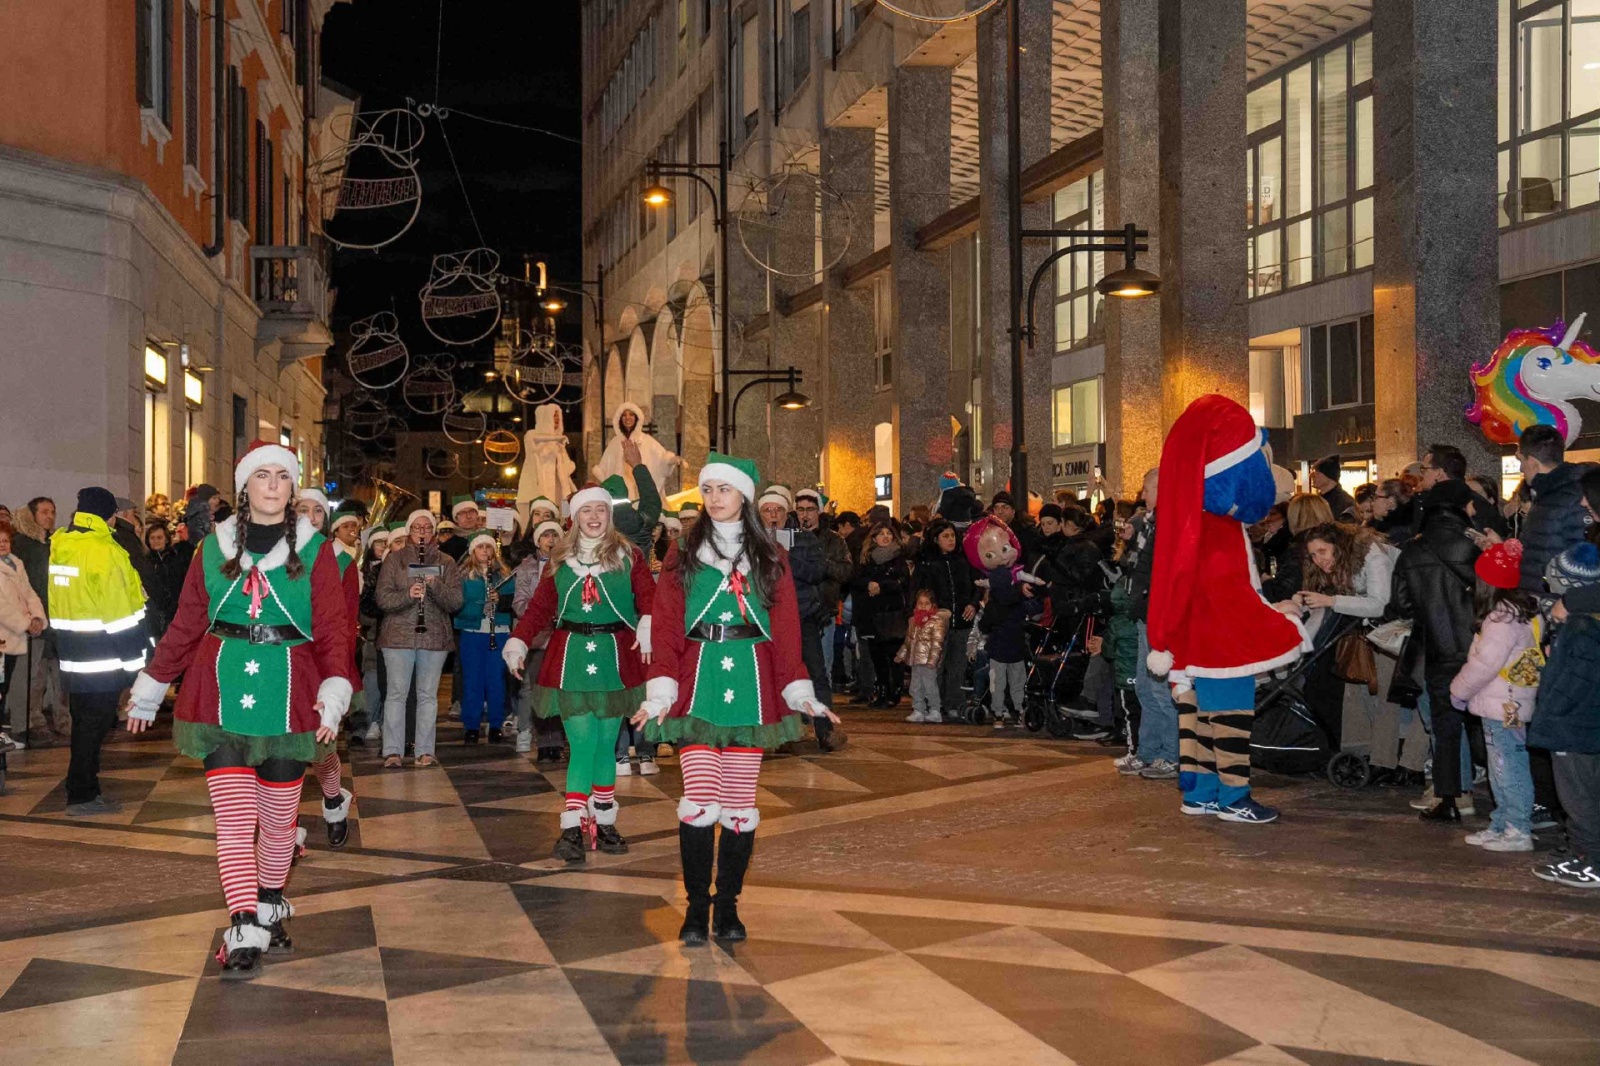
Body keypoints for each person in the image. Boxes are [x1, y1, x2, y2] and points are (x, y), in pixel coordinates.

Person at [126, 443, 355, 978]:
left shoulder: (318, 551)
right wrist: (153, 684)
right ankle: (244, 921)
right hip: (218, 688)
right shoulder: (213, 547)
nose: (273, 485)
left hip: (292, 692)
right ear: (244, 487)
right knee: (234, 821)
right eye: (262, 476)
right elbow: (185, 622)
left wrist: (336, 688)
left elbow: (333, 629)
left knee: (278, 822)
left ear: (291, 488)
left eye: (282, 477)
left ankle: (271, 901)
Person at [633, 452, 837, 945]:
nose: (715, 499)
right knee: (700, 800)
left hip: (751, 683)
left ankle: (727, 907)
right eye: (708, 491)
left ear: (744, 495)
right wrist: (661, 687)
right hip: (697, 682)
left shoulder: (770, 556)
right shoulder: (683, 552)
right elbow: (665, 621)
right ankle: (695, 909)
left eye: (724, 490)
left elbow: (786, 629)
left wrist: (800, 689)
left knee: (740, 805)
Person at [1147, 396, 1308, 825]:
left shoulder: (1189, 520)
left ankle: (1202, 792)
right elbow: (1232, 595)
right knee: (1231, 717)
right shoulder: (1218, 532)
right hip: (1222, 647)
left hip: (1196, 643)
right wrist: (1283, 618)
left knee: (1198, 717)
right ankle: (1234, 797)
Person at [502, 483, 655, 862]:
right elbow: (538, 609)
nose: (593, 517)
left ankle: (603, 821)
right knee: (584, 743)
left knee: (606, 744)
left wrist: (650, 623)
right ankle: (572, 825)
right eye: (586, 511)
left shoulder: (628, 555)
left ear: (609, 514)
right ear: (575, 517)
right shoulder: (560, 558)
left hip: (616, 659)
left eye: (600, 511)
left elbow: (650, 599)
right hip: (570, 658)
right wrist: (519, 641)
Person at [49, 487, 154, 816]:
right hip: (103, 654)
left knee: (84, 725)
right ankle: (82, 796)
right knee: (93, 729)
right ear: (107, 514)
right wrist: (139, 661)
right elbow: (119, 613)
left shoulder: (62, 544)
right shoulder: (103, 549)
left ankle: (82, 788)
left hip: (73, 650)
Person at [1393, 479, 1482, 823]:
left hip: (1436, 648)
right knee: (1488, 725)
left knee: (1445, 726)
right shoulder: (1474, 546)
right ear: (1459, 506)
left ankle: (1449, 798)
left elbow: (1400, 604)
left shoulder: (1412, 550)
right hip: (1479, 646)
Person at [1448, 539, 1539, 852]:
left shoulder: (1500, 619)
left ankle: (1517, 828)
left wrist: (1458, 690)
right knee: (1503, 762)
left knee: (1508, 764)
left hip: (1505, 705)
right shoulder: (1520, 610)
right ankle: (1503, 822)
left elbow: (1485, 665)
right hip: (1508, 702)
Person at [1282, 521, 1398, 754]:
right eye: (1313, 555)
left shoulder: (1372, 554)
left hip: (1393, 631)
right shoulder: (1340, 563)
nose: (1318, 560)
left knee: (1381, 700)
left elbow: (1380, 604)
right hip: (1367, 630)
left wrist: (1330, 601)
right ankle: (1351, 750)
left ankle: (1377, 756)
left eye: (1322, 551)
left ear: (1338, 545)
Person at [1532, 534, 1600, 888]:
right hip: (1586, 724)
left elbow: (1571, 681)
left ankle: (1590, 862)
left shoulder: (1580, 629)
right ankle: (1583, 852)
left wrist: (1549, 713)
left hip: (1573, 724)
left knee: (1578, 797)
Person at [373, 511, 464, 769]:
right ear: (409, 531)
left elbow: (456, 601)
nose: (422, 531)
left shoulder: (446, 561)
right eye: (416, 527)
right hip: (398, 636)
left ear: (433, 532)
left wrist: (434, 585)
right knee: (396, 694)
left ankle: (425, 751)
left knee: (427, 696)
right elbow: (382, 598)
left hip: (433, 635)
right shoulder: (395, 560)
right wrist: (407, 595)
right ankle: (392, 751)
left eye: (427, 527)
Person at [1116, 468, 1181, 780]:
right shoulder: (1150, 523)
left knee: (1159, 687)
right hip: (1144, 610)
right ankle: (1148, 751)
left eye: (1147, 489)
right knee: (1144, 685)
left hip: (1159, 612)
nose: (1142, 495)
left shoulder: (1169, 524)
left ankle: (1171, 754)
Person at [1513, 424, 1594, 594]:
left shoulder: (1575, 496)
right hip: (1541, 601)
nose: (1520, 468)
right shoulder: (1547, 494)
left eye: (1520, 460)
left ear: (1533, 463)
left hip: (1557, 605)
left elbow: (1585, 561)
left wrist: (1568, 603)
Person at [914, 519, 980, 720]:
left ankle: (954, 703)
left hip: (962, 621)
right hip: (937, 623)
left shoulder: (964, 560)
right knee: (937, 664)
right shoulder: (927, 563)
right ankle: (935, 703)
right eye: (946, 536)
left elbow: (976, 584)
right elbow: (919, 592)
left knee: (957, 665)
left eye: (952, 535)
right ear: (936, 539)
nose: (951, 540)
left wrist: (973, 604)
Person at [454, 533, 515, 745]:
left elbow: (513, 601)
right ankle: (471, 725)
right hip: (472, 632)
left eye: (488, 548)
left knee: (496, 680)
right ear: (473, 551)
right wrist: (480, 606)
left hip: (498, 631)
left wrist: (500, 600)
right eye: (480, 547)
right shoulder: (463, 575)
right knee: (472, 680)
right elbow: (456, 604)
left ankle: (496, 724)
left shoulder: (503, 574)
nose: (485, 552)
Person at [511, 520, 564, 758]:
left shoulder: (568, 565)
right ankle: (544, 743)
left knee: (561, 689)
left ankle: (560, 741)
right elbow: (519, 602)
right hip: (538, 637)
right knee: (539, 690)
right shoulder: (527, 568)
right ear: (538, 540)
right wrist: (540, 614)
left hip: (562, 636)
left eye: (555, 535)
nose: (551, 540)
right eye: (546, 536)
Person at [852, 521, 912, 708]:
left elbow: (904, 582)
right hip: (872, 615)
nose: (885, 536)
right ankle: (882, 690)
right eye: (881, 533)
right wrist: (867, 585)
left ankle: (894, 691)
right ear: (874, 538)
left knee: (893, 655)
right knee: (876, 655)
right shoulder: (866, 559)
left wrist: (882, 586)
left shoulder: (899, 559)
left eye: (889, 533)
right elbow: (855, 580)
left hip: (892, 614)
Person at [0, 520, 45, 750]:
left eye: (5, 540)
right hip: (4, 634)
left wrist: (38, 618)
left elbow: (30, 593)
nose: (2, 544)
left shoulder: (16, 563)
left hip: (16, 635)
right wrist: (26, 624)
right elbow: (3, 606)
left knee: (6, 686)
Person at [593, 402, 681, 500]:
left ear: (637, 418)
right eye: (624, 415)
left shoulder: (646, 440)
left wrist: (671, 459)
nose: (627, 418)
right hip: (622, 490)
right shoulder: (615, 442)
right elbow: (605, 465)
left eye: (631, 415)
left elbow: (661, 457)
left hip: (640, 486)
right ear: (619, 419)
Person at [897, 589, 950, 723]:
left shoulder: (937, 621)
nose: (923, 606)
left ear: (933, 605)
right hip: (916, 660)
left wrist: (933, 660)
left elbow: (937, 644)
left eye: (926, 603)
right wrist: (901, 654)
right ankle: (918, 709)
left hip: (928, 662)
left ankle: (935, 710)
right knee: (915, 686)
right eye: (920, 603)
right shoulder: (913, 621)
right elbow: (908, 640)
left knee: (930, 686)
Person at [142, 522, 186, 638]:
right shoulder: (145, 561)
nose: (156, 541)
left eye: (159, 537)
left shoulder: (176, 559)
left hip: (173, 609)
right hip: (153, 610)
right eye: (152, 538)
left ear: (166, 539)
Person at [1311, 455, 1357, 522]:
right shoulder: (1316, 500)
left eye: (1317, 474)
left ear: (1329, 476)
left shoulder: (1345, 502)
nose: (1312, 476)